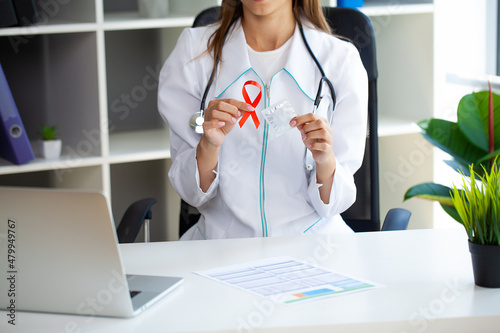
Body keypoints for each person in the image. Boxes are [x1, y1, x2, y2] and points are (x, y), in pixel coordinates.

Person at [158, 0, 368, 240]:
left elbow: (335, 203)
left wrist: (325, 161)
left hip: (314, 245)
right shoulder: (193, 52)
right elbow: (191, 194)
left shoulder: (340, 60)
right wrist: (208, 146)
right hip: (221, 246)